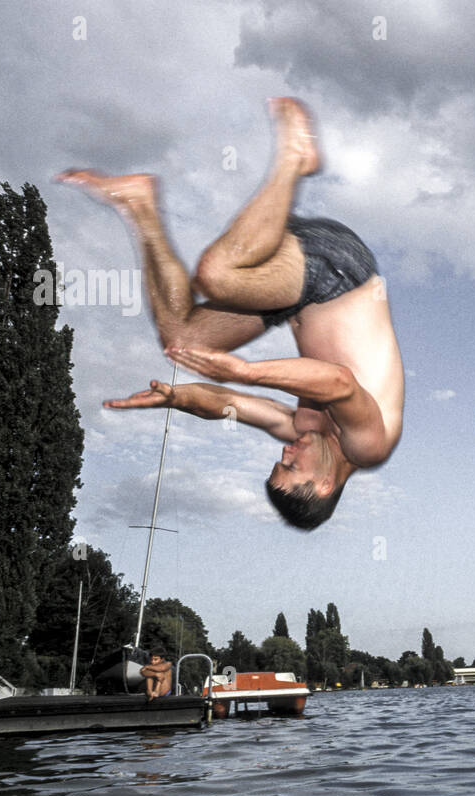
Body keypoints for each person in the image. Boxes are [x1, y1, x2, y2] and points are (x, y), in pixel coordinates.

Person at [59, 97, 404, 531]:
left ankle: (140, 205)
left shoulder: (299, 430)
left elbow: (227, 405)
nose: (284, 454)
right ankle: (296, 159)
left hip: (295, 295)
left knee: (181, 341)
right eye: (291, 467)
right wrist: (243, 371)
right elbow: (339, 381)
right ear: (322, 485)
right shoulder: (368, 446)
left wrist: (177, 398)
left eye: (280, 464)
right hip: (341, 273)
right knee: (217, 275)